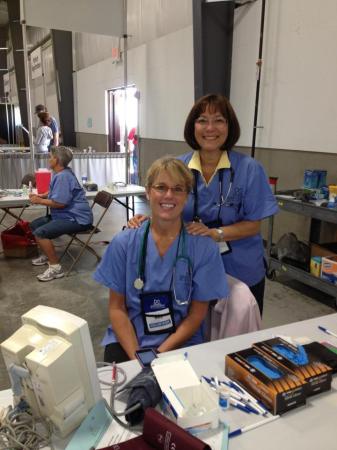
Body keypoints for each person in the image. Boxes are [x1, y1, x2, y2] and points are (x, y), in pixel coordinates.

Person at [128, 94, 278, 315]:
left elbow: (253, 225)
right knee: (196, 335)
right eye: (202, 120)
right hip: (190, 267)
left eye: (218, 120)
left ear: (229, 126)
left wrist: (215, 233)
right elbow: (168, 208)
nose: (210, 128)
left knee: (239, 338)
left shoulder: (249, 169)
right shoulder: (178, 167)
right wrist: (148, 220)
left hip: (241, 270)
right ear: (193, 126)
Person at [93, 156, 228, 363]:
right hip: (129, 340)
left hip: (181, 342)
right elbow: (116, 308)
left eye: (178, 189)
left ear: (187, 196)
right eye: (160, 187)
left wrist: (158, 356)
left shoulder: (204, 248)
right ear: (147, 192)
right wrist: (139, 358)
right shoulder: (124, 243)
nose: (168, 195)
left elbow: (196, 315)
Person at [29, 146, 93, 282]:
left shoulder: (63, 176)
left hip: (77, 219)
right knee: (35, 225)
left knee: (40, 233)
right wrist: (44, 195)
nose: (49, 159)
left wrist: (39, 200)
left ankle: (55, 268)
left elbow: (60, 203)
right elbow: (57, 192)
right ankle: (48, 255)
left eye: (51, 156)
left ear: (56, 160)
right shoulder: (62, 172)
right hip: (66, 215)